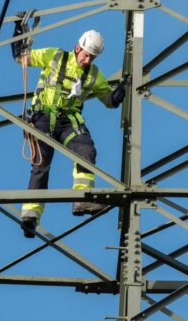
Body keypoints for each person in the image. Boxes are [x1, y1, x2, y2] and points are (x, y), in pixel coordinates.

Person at [12, 22, 125, 238]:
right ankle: (30, 216)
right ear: (77, 48)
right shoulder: (54, 56)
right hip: (42, 117)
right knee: (41, 165)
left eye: (92, 57)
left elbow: (108, 100)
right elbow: (23, 59)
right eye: (86, 55)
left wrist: (118, 95)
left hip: (68, 121)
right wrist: (18, 35)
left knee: (86, 149)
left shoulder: (94, 74)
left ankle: (83, 199)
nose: (87, 60)